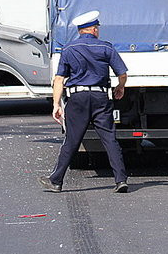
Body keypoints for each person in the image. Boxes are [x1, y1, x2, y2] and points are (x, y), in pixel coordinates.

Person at [39, 11, 129, 193]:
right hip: (100, 97)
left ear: (80, 31)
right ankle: (120, 180)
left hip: (78, 99)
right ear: (94, 29)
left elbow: (59, 79)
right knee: (109, 139)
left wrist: (56, 104)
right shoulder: (106, 48)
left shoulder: (69, 48)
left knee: (72, 140)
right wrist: (120, 87)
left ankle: (56, 181)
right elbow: (122, 73)